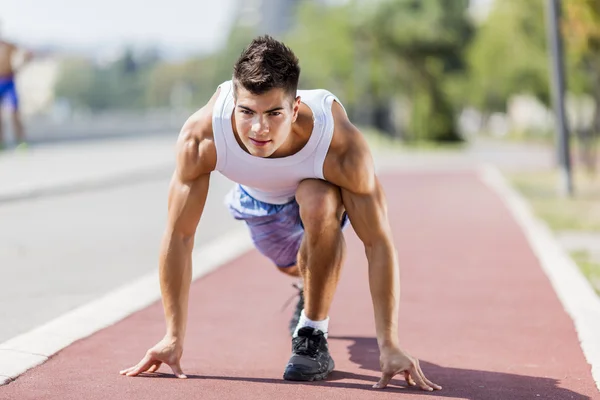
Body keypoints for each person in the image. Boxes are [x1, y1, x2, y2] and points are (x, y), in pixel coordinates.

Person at [120, 35, 441, 391]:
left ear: (294, 107)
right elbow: (179, 235)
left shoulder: (340, 144)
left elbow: (378, 242)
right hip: (260, 207)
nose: (259, 129)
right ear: (234, 103)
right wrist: (172, 336)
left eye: (274, 113)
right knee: (298, 266)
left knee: (317, 196)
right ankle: (310, 285)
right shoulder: (203, 136)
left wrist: (389, 344)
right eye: (247, 112)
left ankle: (312, 332)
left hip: (320, 205)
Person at [0, 31, 32, 150]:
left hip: (9, 80)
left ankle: (21, 141)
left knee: (14, 111)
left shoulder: (8, 45)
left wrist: (20, 66)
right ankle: (1, 143)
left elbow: (26, 53)